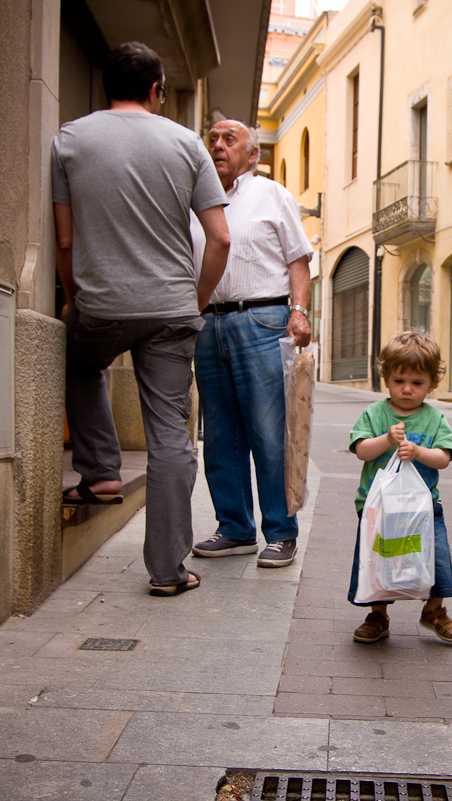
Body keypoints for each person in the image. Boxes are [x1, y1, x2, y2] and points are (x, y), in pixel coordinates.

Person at [51, 41, 230, 597]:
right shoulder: (186, 144)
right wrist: (193, 302)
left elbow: (64, 238)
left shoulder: (69, 138)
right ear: (157, 91)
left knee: (76, 363)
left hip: (102, 305)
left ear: (106, 86)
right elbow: (221, 238)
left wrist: (76, 295)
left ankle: (102, 471)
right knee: (170, 438)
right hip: (172, 311)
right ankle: (168, 572)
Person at [189, 120, 313, 568]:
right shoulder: (195, 199)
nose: (218, 146)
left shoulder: (271, 194)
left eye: (229, 140)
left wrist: (299, 311)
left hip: (263, 320)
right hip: (208, 322)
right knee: (219, 434)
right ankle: (235, 528)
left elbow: (299, 259)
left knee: (267, 431)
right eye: (213, 140)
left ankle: (281, 532)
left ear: (252, 154)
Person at [348, 331, 452, 644]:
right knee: (379, 562)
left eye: (417, 383)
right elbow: (361, 450)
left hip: (424, 508)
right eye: (399, 381)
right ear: (386, 378)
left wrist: (418, 453)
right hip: (379, 508)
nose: (407, 390)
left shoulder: (435, 418)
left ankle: (435, 610)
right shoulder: (374, 413)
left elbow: (443, 458)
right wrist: (386, 439)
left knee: (436, 558)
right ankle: (378, 614)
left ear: (432, 384)